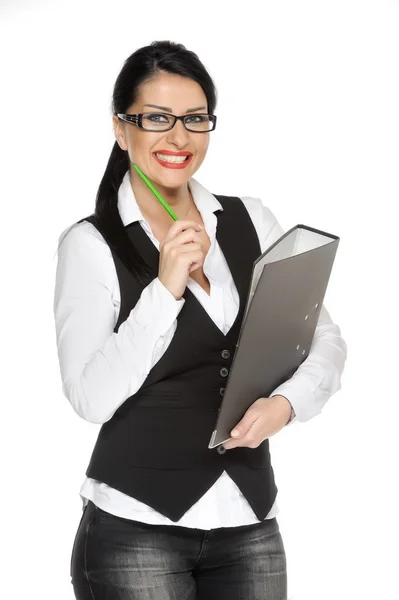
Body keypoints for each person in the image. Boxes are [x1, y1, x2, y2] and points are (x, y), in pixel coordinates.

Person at [53, 40, 347, 600]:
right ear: (121, 128)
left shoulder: (251, 220)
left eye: (194, 118)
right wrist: (164, 289)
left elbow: (322, 337)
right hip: (136, 527)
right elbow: (90, 398)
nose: (178, 137)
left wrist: (287, 406)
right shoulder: (90, 245)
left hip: (249, 520)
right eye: (156, 118)